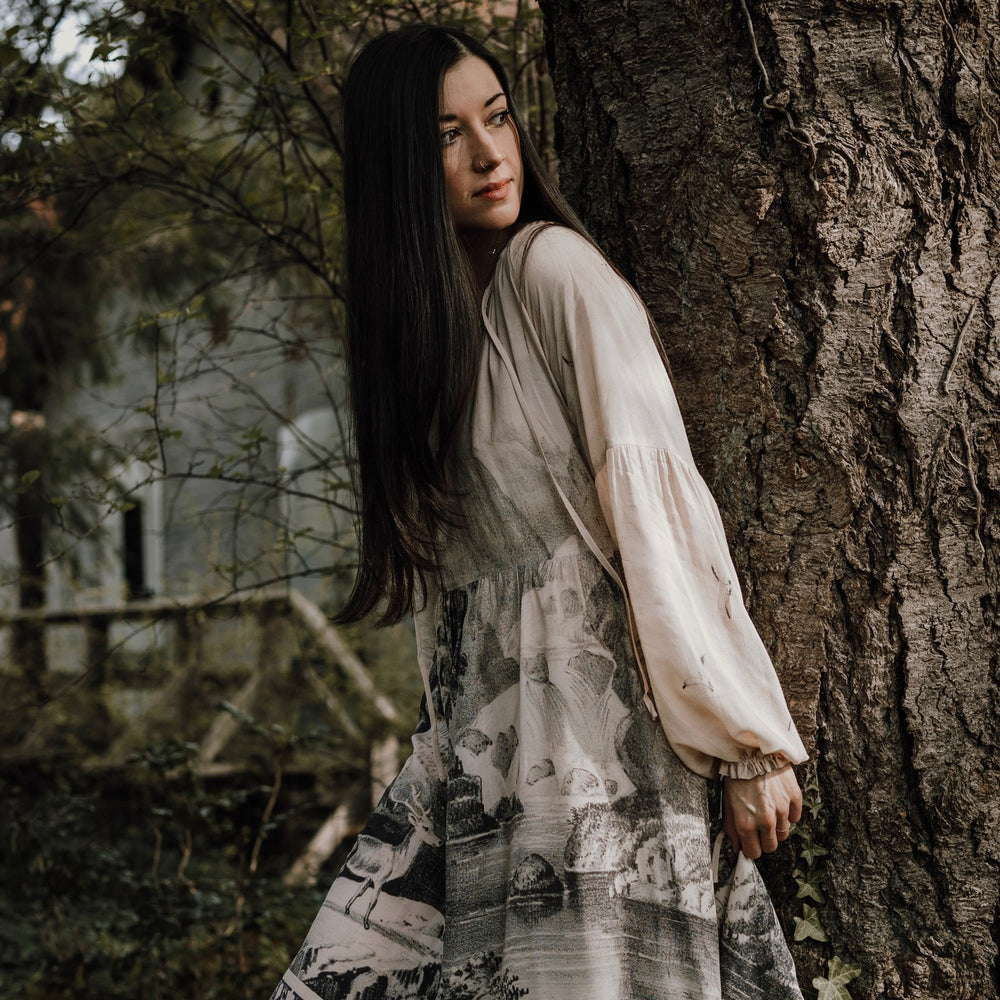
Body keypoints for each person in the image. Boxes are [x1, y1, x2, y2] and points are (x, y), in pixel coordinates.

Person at [271, 23, 809, 1000]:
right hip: (495, 772)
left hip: (612, 755)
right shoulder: (418, 349)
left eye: (499, 117)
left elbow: (659, 507)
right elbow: (448, 603)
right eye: (448, 134)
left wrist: (747, 743)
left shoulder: (553, 274)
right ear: (398, 164)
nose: (490, 154)